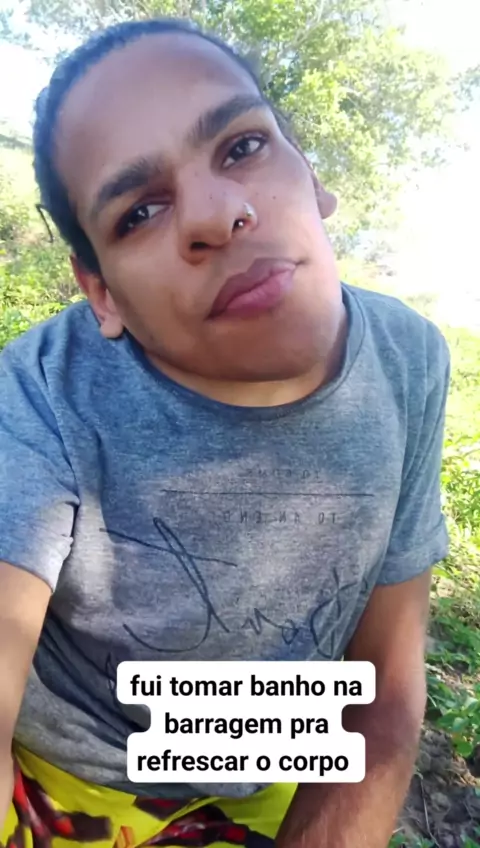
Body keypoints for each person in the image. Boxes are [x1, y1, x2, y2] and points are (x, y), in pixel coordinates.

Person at [0, 16, 450, 848]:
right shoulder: (42, 390)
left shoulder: (409, 361)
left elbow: (385, 687)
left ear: (313, 175)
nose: (216, 214)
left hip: (281, 763)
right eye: (139, 211)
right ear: (102, 293)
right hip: (71, 777)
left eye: (243, 147)